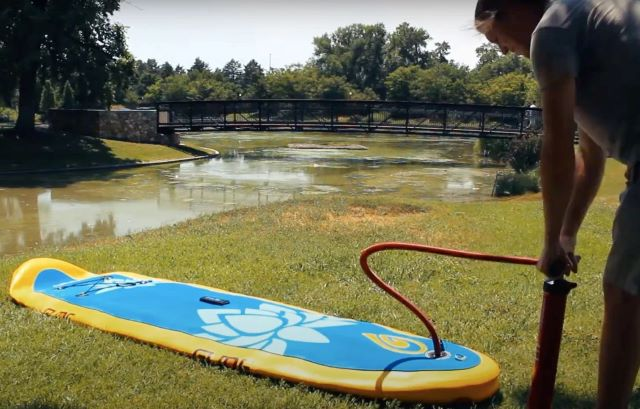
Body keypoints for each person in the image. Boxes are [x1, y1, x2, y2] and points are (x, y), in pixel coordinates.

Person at [474, 0, 640, 408]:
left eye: (495, 37)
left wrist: (549, 242)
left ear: (510, 8)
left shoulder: (552, 31)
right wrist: (567, 232)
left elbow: (558, 145)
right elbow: (591, 156)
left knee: (624, 296)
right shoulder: (589, 22)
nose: (502, 50)